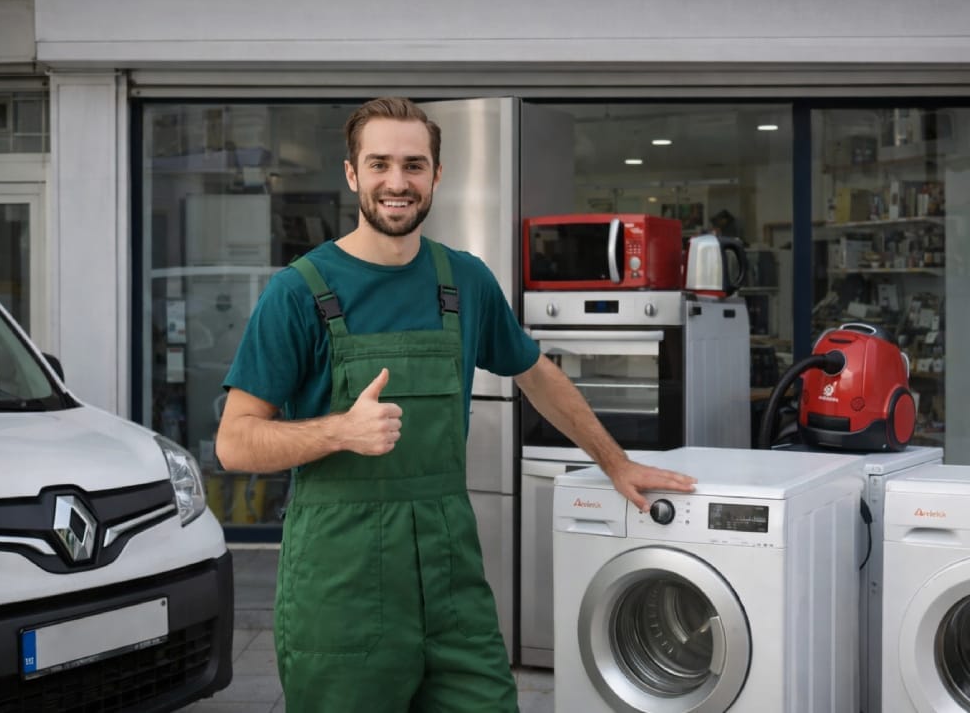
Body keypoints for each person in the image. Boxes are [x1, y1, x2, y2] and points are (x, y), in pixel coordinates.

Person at [215, 96, 696, 712]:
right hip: (341, 584)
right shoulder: (299, 292)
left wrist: (615, 462)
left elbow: (537, 374)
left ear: (436, 176)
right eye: (380, 163)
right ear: (352, 173)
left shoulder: (463, 280)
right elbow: (234, 441)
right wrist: (340, 432)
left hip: (451, 579)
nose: (397, 182)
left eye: (414, 165)